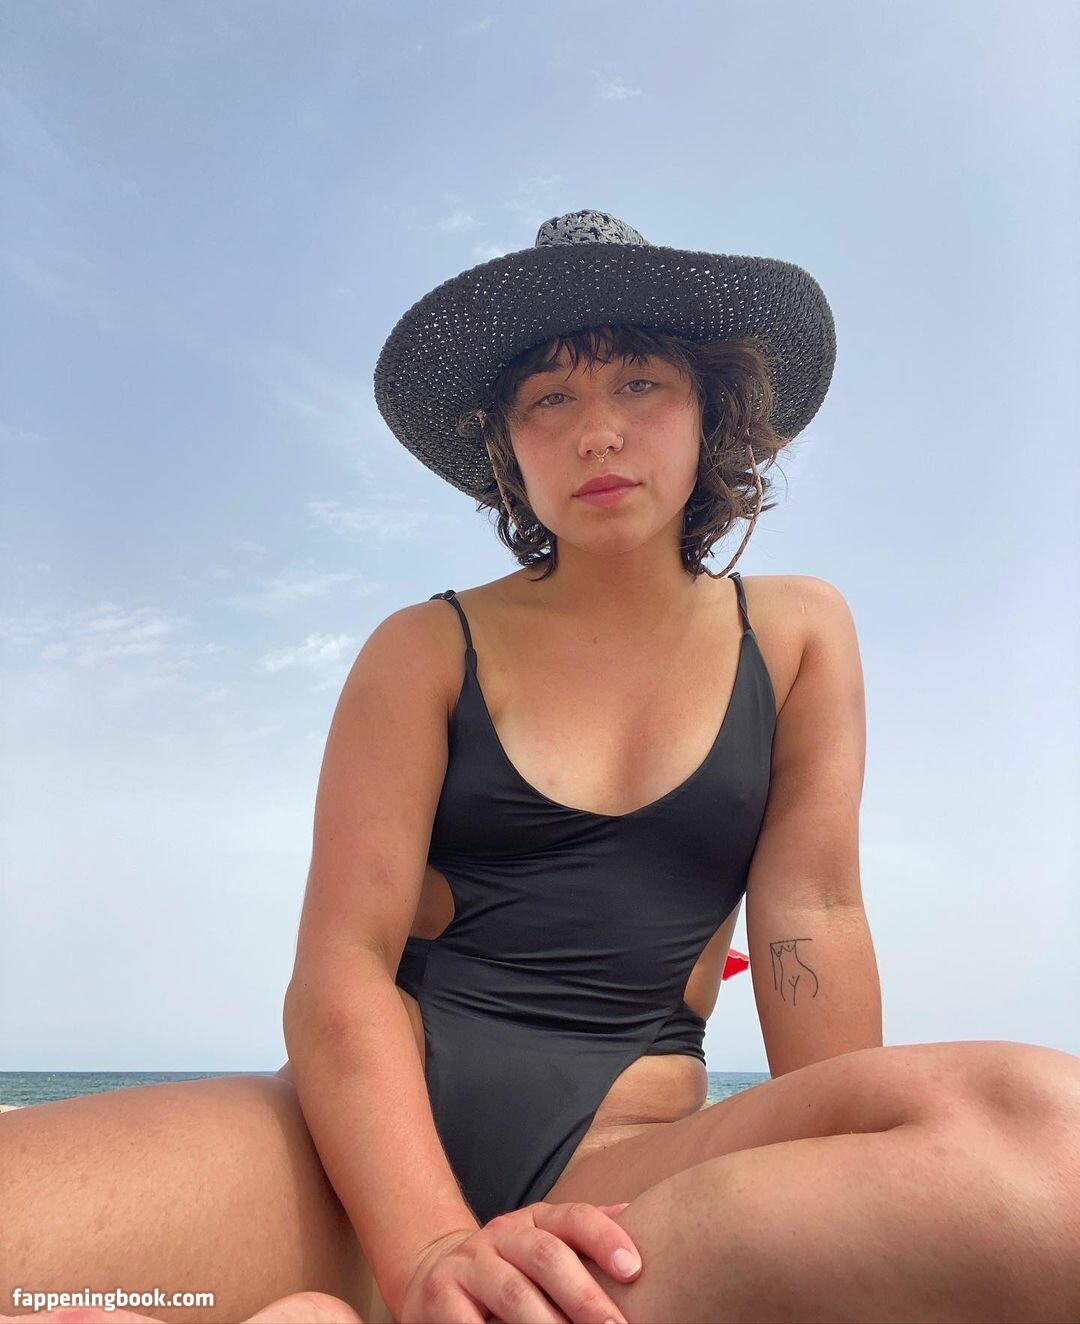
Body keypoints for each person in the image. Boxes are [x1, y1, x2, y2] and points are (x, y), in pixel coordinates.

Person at [3, 209, 1079, 1324]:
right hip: (353, 1158)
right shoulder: (424, 649)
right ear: (508, 448)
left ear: (710, 411)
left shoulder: (797, 635)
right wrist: (429, 1247)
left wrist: (840, 1195)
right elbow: (341, 965)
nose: (598, 433)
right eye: (549, 400)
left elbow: (813, 912)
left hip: (620, 1170)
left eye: (641, 385)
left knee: (1042, 1137)